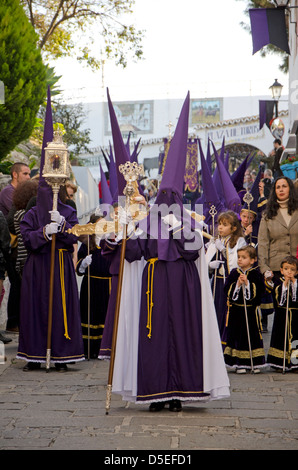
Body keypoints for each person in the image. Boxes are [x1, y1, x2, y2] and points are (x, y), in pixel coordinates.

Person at [223, 245, 266, 373]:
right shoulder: (234, 273)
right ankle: (239, 363)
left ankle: (255, 362)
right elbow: (226, 290)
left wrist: (247, 284)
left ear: (252, 260)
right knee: (237, 336)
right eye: (239, 257)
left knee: (252, 336)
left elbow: (260, 292)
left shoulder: (256, 274)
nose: (240, 260)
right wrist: (237, 284)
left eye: (244, 257)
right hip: (237, 312)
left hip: (251, 311)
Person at [206, 210, 247, 342]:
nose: (220, 227)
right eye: (219, 224)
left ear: (233, 228)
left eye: (225, 224)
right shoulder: (216, 241)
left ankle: (226, 340)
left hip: (230, 283)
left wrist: (224, 250)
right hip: (216, 284)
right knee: (216, 309)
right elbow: (206, 262)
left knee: (226, 310)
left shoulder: (239, 241)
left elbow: (237, 262)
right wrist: (209, 266)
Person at [76, 213, 111, 358]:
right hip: (91, 285)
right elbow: (78, 269)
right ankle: (89, 349)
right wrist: (83, 263)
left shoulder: (110, 243)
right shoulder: (87, 245)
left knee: (105, 315)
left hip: (106, 286)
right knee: (90, 315)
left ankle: (105, 348)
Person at [258, 176, 298, 283]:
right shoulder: (267, 215)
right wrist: (264, 268)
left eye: (284, 186)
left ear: (290, 188)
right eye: (278, 187)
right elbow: (262, 243)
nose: (281, 189)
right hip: (276, 269)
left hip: (297, 268)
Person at [266, 255, 298, 371]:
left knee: (295, 338)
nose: (289, 272)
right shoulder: (279, 282)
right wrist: (285, 284)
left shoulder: (296, 282)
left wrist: (294, 283)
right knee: (280, 338)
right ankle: (279, 362)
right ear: (281, 270)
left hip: (295, 315)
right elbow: (278, 298)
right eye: (286, 269)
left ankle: (295, 363)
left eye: (292, 269)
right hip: (282, 315)